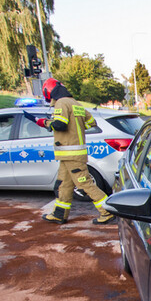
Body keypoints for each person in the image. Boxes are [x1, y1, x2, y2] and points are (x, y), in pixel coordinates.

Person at [37, 77, 115, 225]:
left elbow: (60, 125)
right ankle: (59, 214)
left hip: (70, 153)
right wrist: (76, 126)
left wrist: (45, 122)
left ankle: (108, 212)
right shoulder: (76, 104)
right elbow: (91, 122)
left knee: (85, 184)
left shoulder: (61, 103)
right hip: (71, 154)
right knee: (64, 185)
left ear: (49, 92)